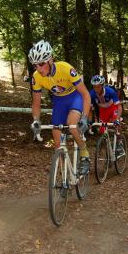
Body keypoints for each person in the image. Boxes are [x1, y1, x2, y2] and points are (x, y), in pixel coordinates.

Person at [29, 40, 92, 175]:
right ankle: (64, 176)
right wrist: (36, 120)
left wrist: (85, 117)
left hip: (74, 97)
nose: (39, 69)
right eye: (35, 65)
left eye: (41, 64)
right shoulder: (36, 77)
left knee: (71, 125)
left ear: (50, 60)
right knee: (57, 142)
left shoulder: (66, 68)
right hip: (59, 102)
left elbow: (86, 94)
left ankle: (84, 152)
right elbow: (36, 103)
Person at [89, 75, 125, 156]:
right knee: (102, 130)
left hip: (112, 107)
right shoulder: (91, 94)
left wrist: (117, 119)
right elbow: (90, 110)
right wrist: (90, 122)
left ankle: (120, 143)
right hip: (103, 110)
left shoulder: (110, 91)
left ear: (102, 86)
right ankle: (108, 153)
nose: (96, 89)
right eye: (94, 87)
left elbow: (119, 107)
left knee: (116, 124)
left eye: (98, 87)